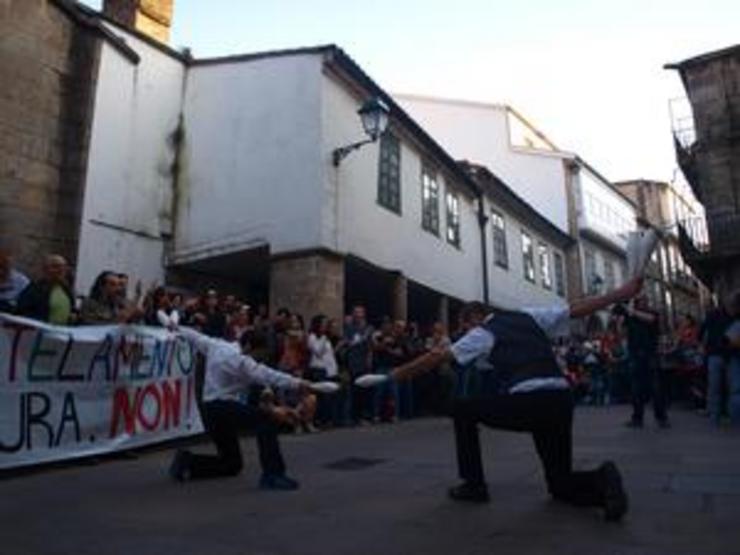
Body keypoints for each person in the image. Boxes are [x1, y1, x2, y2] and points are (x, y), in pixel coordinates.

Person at [381, 276, 644, 522]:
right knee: (559, 485)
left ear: (474, 318)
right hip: (561, 400)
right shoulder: (529, 315)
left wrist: (393, 375)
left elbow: (436, 357)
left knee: (462, 409)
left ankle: (474, 485)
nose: (464, 331)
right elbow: (574, 309)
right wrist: (619, 293)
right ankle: (603, 480)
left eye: (465, 325)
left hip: (529, 401)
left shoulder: (482, 331)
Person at [169, 326, 313, 489]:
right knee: (266, 420)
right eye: (258, 355)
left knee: (232, 464)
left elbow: (194, 336)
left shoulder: (218, 345)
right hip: (222, 407)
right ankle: (272, 475)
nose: (257, 360)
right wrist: (298, 383)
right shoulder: (239, 360)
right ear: (249, 347)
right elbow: (265, 374)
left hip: (210, 410)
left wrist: (174, 327)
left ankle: (187, 463)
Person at [615, 294, 669, 429]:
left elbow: (650, 320)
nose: (643, 302)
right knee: (636, 388)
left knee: (655, 387)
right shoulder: (630, 316)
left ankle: (661, 418)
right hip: (635, 354)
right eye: (640, 301)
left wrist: (631, 312)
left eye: (644, 300)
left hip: (650, 354)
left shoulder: (652, 313)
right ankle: (637, 418)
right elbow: (621, 333)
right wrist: (620, 320)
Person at [16, 254, 75, 325]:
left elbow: (72, 309)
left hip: (63, 332)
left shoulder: (66, 289)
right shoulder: (35, 289)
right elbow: (22, 312)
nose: (61, 270)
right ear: (45, 269)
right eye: (55, 266)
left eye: (64, 266)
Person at [700, 301, 733, 425]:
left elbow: (702, 332)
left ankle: (715, 414)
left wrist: (702, 345)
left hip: (716, 353)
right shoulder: (731, 316)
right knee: (730, 386)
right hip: (728, 354)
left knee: (715, 386)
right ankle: (728, 413)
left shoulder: (711, 315)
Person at [723, 292, 740, 425]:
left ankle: (736, 420)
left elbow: (727, 341)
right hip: (735, 357)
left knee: (735, 389)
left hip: (735, 357)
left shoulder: (735, 323)